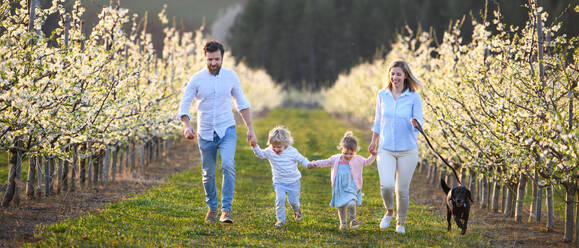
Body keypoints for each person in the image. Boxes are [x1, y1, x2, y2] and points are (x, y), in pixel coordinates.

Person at [177, 40, 257, 224]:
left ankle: (226, 210)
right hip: (205, 132)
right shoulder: (196, 79)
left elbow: (242, 103)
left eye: (217, 59)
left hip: (227, 129)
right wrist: (187, 126)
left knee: (228, 166)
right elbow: (184, 104)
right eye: (210, 59)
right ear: (205, 58)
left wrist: (250, 129)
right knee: (208, 173)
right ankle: (212, 208)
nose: (214, 63)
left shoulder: (231, 76)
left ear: (222, 58)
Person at [368, 60, 423, 234]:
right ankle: (389, 211)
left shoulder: (414, 96)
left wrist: (416, 124)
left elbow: (420, 122)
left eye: (398, 74)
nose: (395, 77)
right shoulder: (382, 95)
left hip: (408, 149)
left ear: (405, 75)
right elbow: (378, 120)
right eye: (392, 74)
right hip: (386, 147)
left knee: (402, 190)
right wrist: (373, 141)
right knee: (386, 186)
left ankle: (400, 222)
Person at [307, 131, 375, 231]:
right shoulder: (336, 159)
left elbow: (367, 162)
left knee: (351, 203)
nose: (348, 156)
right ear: (341, 148)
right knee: (341, 206)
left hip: (351, 186)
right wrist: (314, 163)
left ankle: (353, 219)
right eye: (345, 153)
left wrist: (373, 155)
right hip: (339, 187)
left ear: (355, 151)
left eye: (351, 154)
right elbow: (324, 162)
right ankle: (343, 223)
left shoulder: (357, 159)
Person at [251, 127, 310, 227]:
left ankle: (297, 210)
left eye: (279, 147)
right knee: (280, 200)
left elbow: (302, 159)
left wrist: (308, 164)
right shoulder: (270, 151)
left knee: (293, 202)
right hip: (279, 182)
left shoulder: (292, 151)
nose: (276, 149)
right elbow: (261, 154)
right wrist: (255, 146)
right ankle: (280, 220)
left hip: (293, 182)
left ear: (286, 144)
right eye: (274, 146)